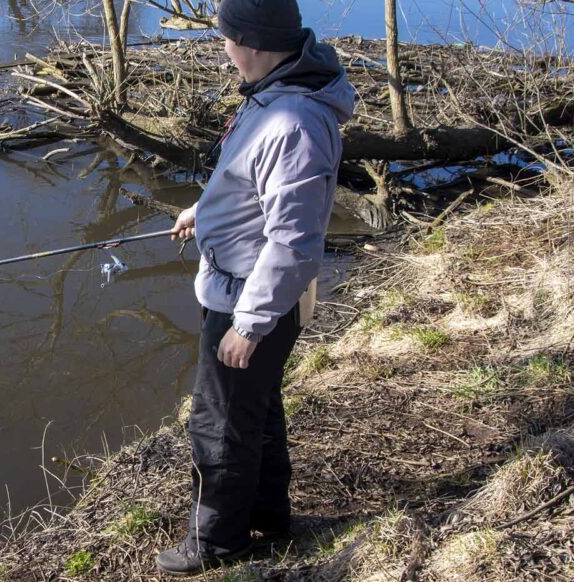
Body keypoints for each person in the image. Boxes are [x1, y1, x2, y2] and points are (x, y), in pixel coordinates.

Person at [158, 0, 355, 574]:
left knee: (218, 423)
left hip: (253, 300)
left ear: (254, 42)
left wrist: (249, 324)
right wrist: (205, 210)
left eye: (227, 39)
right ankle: (270, 521)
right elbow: (249, 179)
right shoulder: (272, 93)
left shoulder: (294, 123)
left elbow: (293, 243)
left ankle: (218, 541)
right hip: (246, 291)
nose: (222, 49)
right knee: (255, 410)